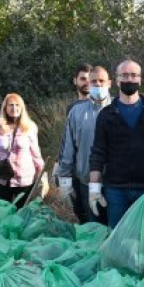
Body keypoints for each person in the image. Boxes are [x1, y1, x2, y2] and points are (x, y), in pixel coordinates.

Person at [88, 59, 144, 228]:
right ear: (117, 80)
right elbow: (98, 152)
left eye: (134, 75)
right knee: (118, 237)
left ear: (140, 79)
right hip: (116, 189)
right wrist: (94, 187)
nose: (129, 80)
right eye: (124, 75)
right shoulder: (106, 115)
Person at [57, 65, 112, 224]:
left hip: (115, 183)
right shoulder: (77, 112)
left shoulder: (118, 108)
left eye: (102, 81)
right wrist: (65, 178)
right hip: (86, 181)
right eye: (94, 81)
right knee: (92, 228)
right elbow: (68, 146)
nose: (98, 85)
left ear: (110, 83)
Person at [0, 93, 43, 208]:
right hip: (1, 178)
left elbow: (36, 154)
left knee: (21, 214)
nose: (14, 108)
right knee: (3, 212)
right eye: (11, 105)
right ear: (5, 108)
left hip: (24, 179)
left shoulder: (30, 127)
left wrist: (43, 177)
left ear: (22, 108)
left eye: (17, 105)